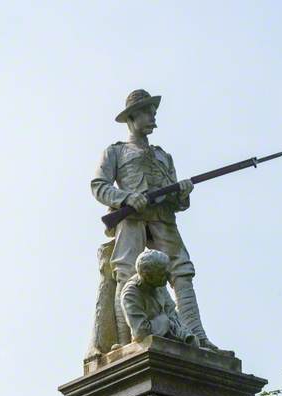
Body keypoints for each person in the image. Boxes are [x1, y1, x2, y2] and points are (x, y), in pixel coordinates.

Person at [90, 89, 215, 351]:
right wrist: (125, 198)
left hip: (162, 218)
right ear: (132, 117)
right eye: (147, 112)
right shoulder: (116, 152)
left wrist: (181, 194)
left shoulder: (163, 156)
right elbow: (99, 186)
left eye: (154, 113)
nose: (153, 118)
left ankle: (197, 336)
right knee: (125, 272)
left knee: (182, 270)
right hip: (132, 219)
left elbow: (176, 200)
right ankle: (126, 342)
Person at [121, 249, 198, 345]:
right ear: (148, 276)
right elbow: (141, 332)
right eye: (162, 273)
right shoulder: (131, 294)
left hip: (168, 338)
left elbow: (171, 312)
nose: (168, 276)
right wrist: (166, 322)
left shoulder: (159, 284)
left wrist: (182, 331)